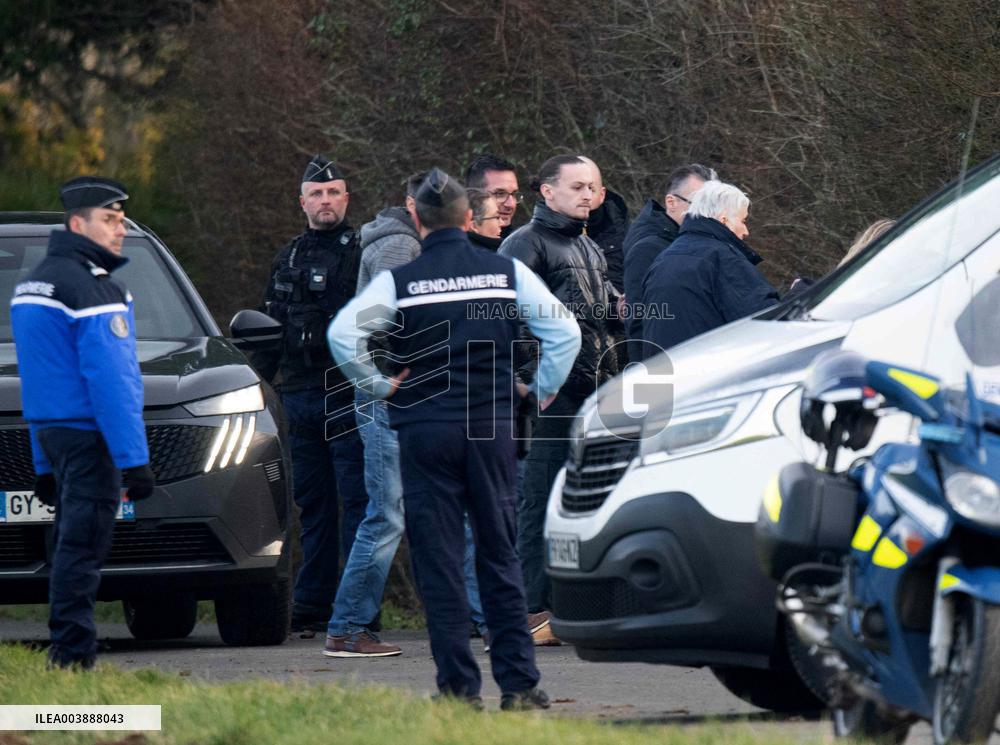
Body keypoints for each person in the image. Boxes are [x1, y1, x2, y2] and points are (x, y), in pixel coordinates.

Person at [328, 168, 580, 709]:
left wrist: (377, 383)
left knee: (438, 559)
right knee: (498, 553)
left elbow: (341, 334)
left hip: (423, 428)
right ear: (469, 217)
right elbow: (566, 331)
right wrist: (540, 391)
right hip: (490, 425)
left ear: (416, 219)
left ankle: (458, 691)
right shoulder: (506, 271)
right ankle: (518, 685)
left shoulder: (400, 282)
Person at [11, 176, 154, 669]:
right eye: (109, 220)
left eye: (120, 220)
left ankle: (66, 652)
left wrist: (40, 461)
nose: (120, 230)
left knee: (66, 544)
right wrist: (134, 460)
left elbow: (37, 377)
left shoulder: (32, 286)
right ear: (78, 223)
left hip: (54, 434)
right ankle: (72, 658)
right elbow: (113, 383)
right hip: (90, 438)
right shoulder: (92, 288)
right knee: (83, 547)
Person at [499, 154, 620, 642]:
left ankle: (572, 603)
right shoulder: (523, 244)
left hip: (592, 391)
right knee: (538, 498)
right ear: (546, 192)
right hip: (549, 395)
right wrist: (530, 382)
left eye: (592, 186)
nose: (587, 195)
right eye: (576, 187)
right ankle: (531, 610)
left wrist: (619, 307)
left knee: (582, 498)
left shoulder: (589, 246)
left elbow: (596, 313)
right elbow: (501, 318)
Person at [259, 154, 368, 634]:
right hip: (299, 393)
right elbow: (267, 330)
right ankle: (314, 601)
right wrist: (259, 388)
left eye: (333, 193)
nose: (325, 201)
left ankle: (358, 607)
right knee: (312, 504)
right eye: (316, 194)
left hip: (347, 391)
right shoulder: (288, 256)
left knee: (357, 501)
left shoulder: (363, 251)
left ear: (346, 199)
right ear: (302, 202)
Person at [322, 173, 428, 657]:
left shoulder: (408, 242)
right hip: (387, 395)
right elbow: (382, 324)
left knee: (400, 513)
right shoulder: (397, 247)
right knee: (385, 516)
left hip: (402, 394)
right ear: (411, 203)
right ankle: (346, 628)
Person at [640, 181, 779, 353]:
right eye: (743, 221)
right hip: (709, 371)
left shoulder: (662, 260)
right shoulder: (723, 259)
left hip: (664, 372)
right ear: (724, 220)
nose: (746, 231)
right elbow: (765, 321)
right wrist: (801, 296)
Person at [622, 164, 716, 361]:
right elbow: (638, 320)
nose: (709, 213)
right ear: (671, 202)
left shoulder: (691, 239)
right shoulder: (648, 248)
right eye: (700, 203)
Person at [578, 156, 629, 293]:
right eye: (577, 188)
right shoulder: (541, 237)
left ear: (602, 194)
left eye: (591, 189)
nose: (585, 196)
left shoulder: (627, 238)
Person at [465, 153, 522, 236]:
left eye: (513, 194)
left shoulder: (525, 243)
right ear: (474, 195)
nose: (511, 204)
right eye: (500, 194)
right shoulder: (451, 246)